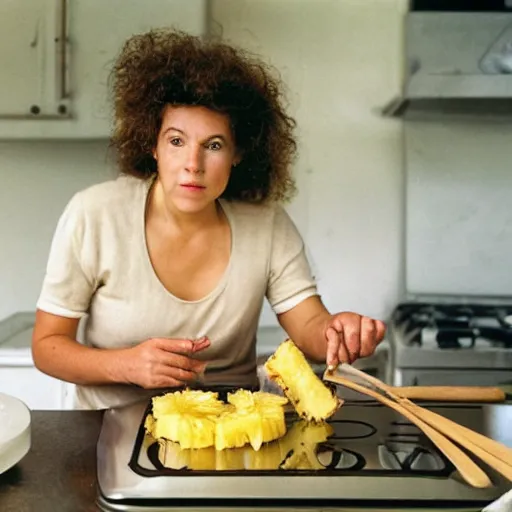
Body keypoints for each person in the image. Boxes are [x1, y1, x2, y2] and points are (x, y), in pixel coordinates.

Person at [32, 29, 386, 410]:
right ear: (152, 144)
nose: (192, 165)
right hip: (106, 432)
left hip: (232, 433)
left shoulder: (266, 223)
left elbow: (310, 329)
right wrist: (126, 364)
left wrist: (339, 332)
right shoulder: (94, 215)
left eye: (213, 145)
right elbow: (47, 347)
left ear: (238, 152)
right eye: (176, 141)